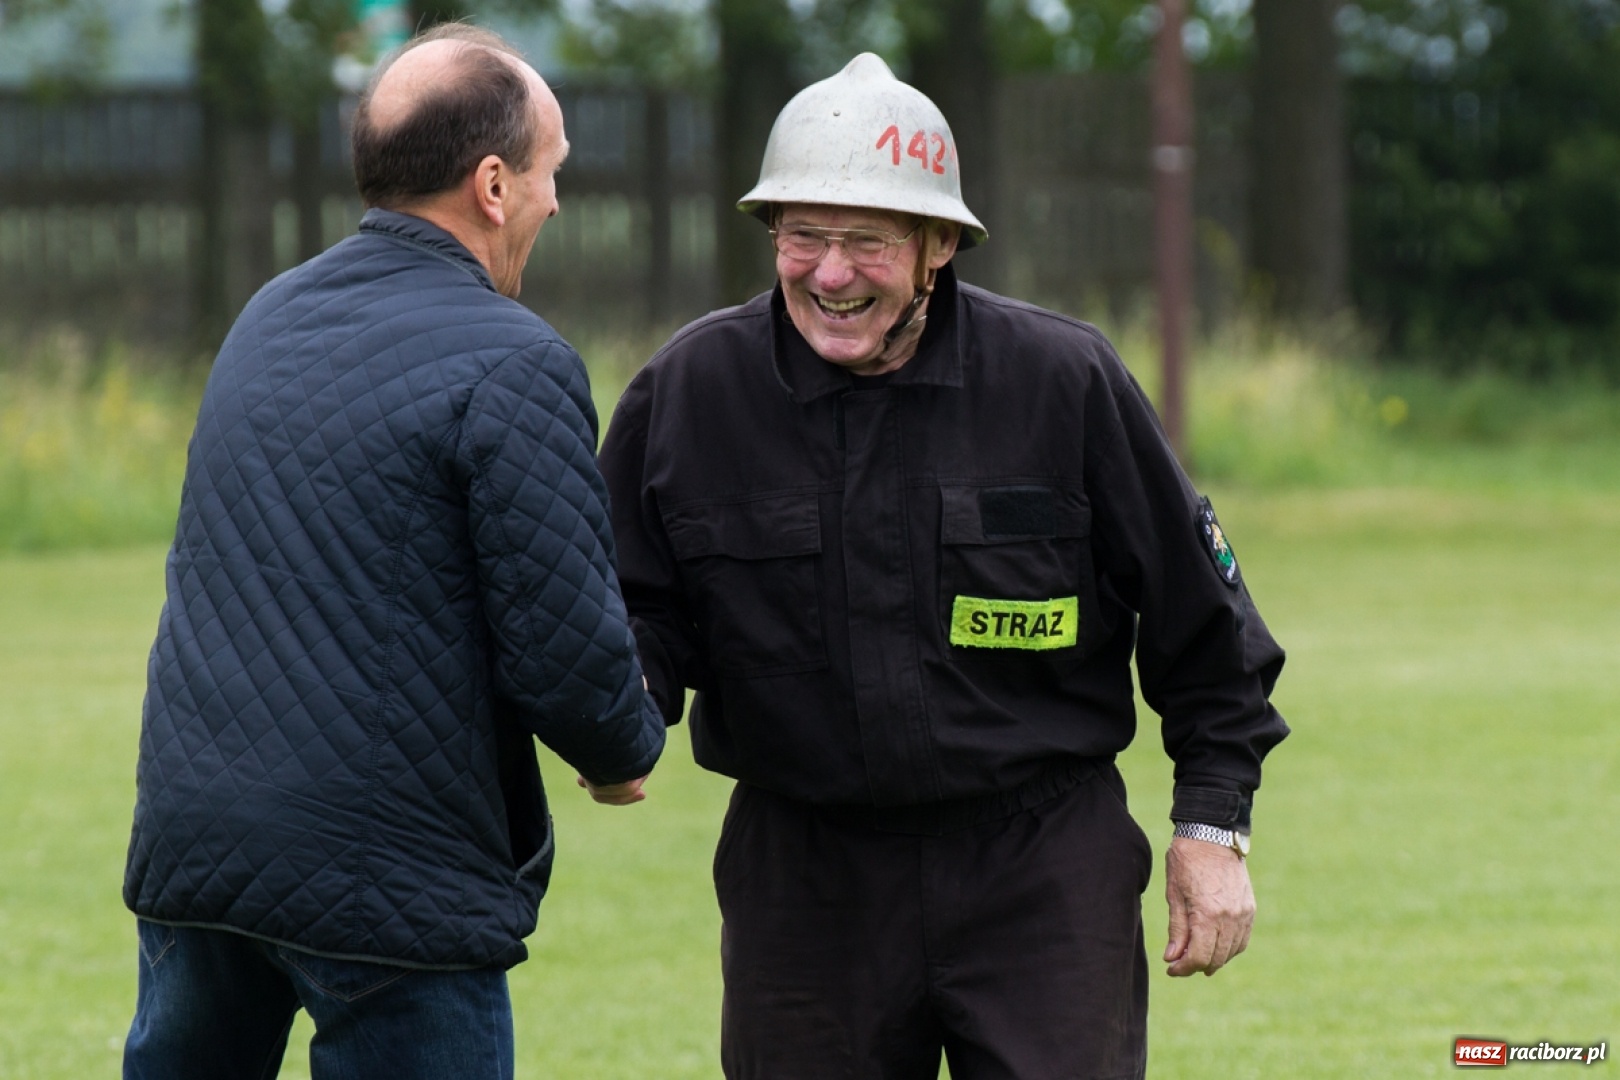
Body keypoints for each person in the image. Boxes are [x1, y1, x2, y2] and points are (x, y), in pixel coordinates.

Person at [598, 53, 1288, 1079]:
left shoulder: (1064, 380)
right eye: (803, 237)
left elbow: (1209, 628)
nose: (829, 274)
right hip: (806, 876)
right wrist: (620, 706)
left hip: (1040, 866)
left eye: (865, 243)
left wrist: (1212, 828)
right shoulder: (689, 393)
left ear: (938, 248)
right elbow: (634, 609)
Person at [121, 24, 665, 1080]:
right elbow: (561, 638)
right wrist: (618, 749)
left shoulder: (267, 316)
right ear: (494, 184)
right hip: (385, 878)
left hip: (199, 851)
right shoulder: (517, 361)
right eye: (554, 172)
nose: (559, 200)